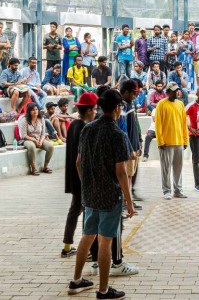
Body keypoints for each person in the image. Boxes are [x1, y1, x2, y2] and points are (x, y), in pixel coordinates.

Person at [67, 89, 135, 300]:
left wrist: (87, 184)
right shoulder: (118, 135)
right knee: (105, 242)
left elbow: (79, 162)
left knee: (87, 237)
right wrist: (129, 201)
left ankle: (76, 281)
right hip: (109, 196)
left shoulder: (87, 130)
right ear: (117, 109)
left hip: (90, 195)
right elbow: (122, 173)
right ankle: (104, 290)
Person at [62, 91, 97, 259]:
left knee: (75, 210)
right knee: (87, 212)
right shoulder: (85, 128)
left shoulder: (74, 126)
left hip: (74, 177)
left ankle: (67, 245)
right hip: (82, 177)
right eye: (95, 109)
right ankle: (89, 249)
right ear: (89, 110)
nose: (96, 112)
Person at [154, 81, 189, 198]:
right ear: (167, 92)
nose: (176, 93)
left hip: (179, 141)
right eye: (173, 91)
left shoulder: (180, 104)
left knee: (178, 168)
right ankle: (166, 191)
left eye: (176, 90)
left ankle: (178, 190)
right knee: (166, 168)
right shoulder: (161, 104)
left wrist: (185, 140)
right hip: (166, 143)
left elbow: (184, 124)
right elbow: (158, 124)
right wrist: (160, 141)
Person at [19, 102, 54, 175]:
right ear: (29, 111)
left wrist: (41, 141)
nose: (35, 111)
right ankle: (33, 168)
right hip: (28, 139)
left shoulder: (41, 119)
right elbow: (24, 135)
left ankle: (45, 166)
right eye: (33, 110)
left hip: (39, 138)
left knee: (50, 147)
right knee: (31, 147)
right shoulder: (24, 120)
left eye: (36, 109)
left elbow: (43, 133)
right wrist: (34, 140)